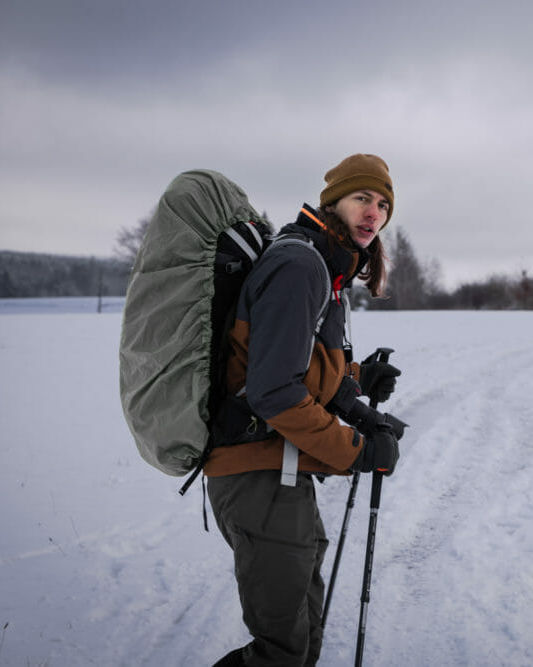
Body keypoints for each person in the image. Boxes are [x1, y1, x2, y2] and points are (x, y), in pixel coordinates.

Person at [205, 154, 406, 667]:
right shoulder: (301, 265)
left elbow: (308, 368)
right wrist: (357, 450)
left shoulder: (326, 264)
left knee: (303, 638)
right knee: (282, 653)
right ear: (332, 202)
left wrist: (360, 400)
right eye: (362, 198)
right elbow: (274, 391)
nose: (373, 213)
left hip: (281, 475)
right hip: (258, 474)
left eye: (383, 204)